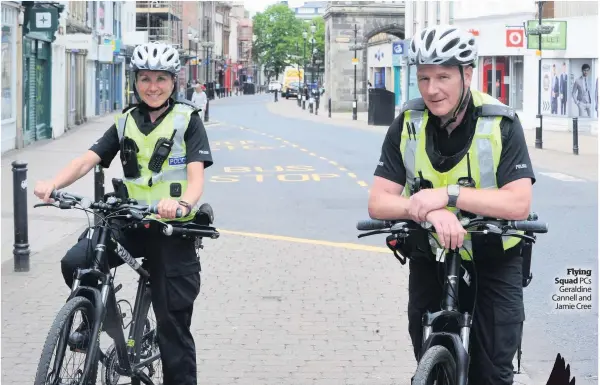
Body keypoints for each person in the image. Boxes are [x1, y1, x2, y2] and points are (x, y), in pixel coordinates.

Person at [34, 42, 213, 385]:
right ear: (136, 81)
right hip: (129, 220)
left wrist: (182, 205)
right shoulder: (125, 121)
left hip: (170, 227)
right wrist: (52, 184)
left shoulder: (187, 120)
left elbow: (195, 179)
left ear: (173, 82)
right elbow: (87, 158)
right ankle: (93, 318)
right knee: (77, 261)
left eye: (161, 78)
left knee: (172, 327)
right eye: (145, 78)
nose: (153, 86)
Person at [368, 24, 536, 385]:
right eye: (424, 77)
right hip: (432, 257)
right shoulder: (408, 123)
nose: (432, 89)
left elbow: (518, 203)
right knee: (428, 355)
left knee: (492, 370)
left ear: (467, 74)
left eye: (443, 76)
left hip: (494, 256)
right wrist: (428, 210)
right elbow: (379, 201)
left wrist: (448, 195)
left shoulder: (500, 122)